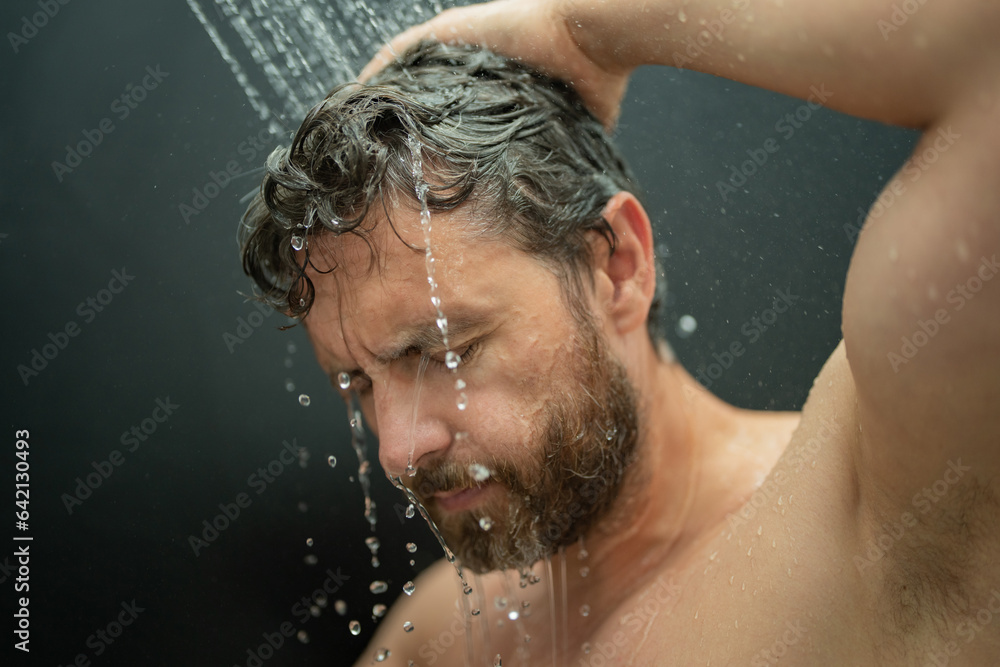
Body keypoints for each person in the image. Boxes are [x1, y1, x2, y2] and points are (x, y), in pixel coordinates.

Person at [240, 0, 1000, 663]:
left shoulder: (872, 511)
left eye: (444, 349)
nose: (399, 450)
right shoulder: (444, 633)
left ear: (618, 267)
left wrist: (583, 28)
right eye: (359, 384)